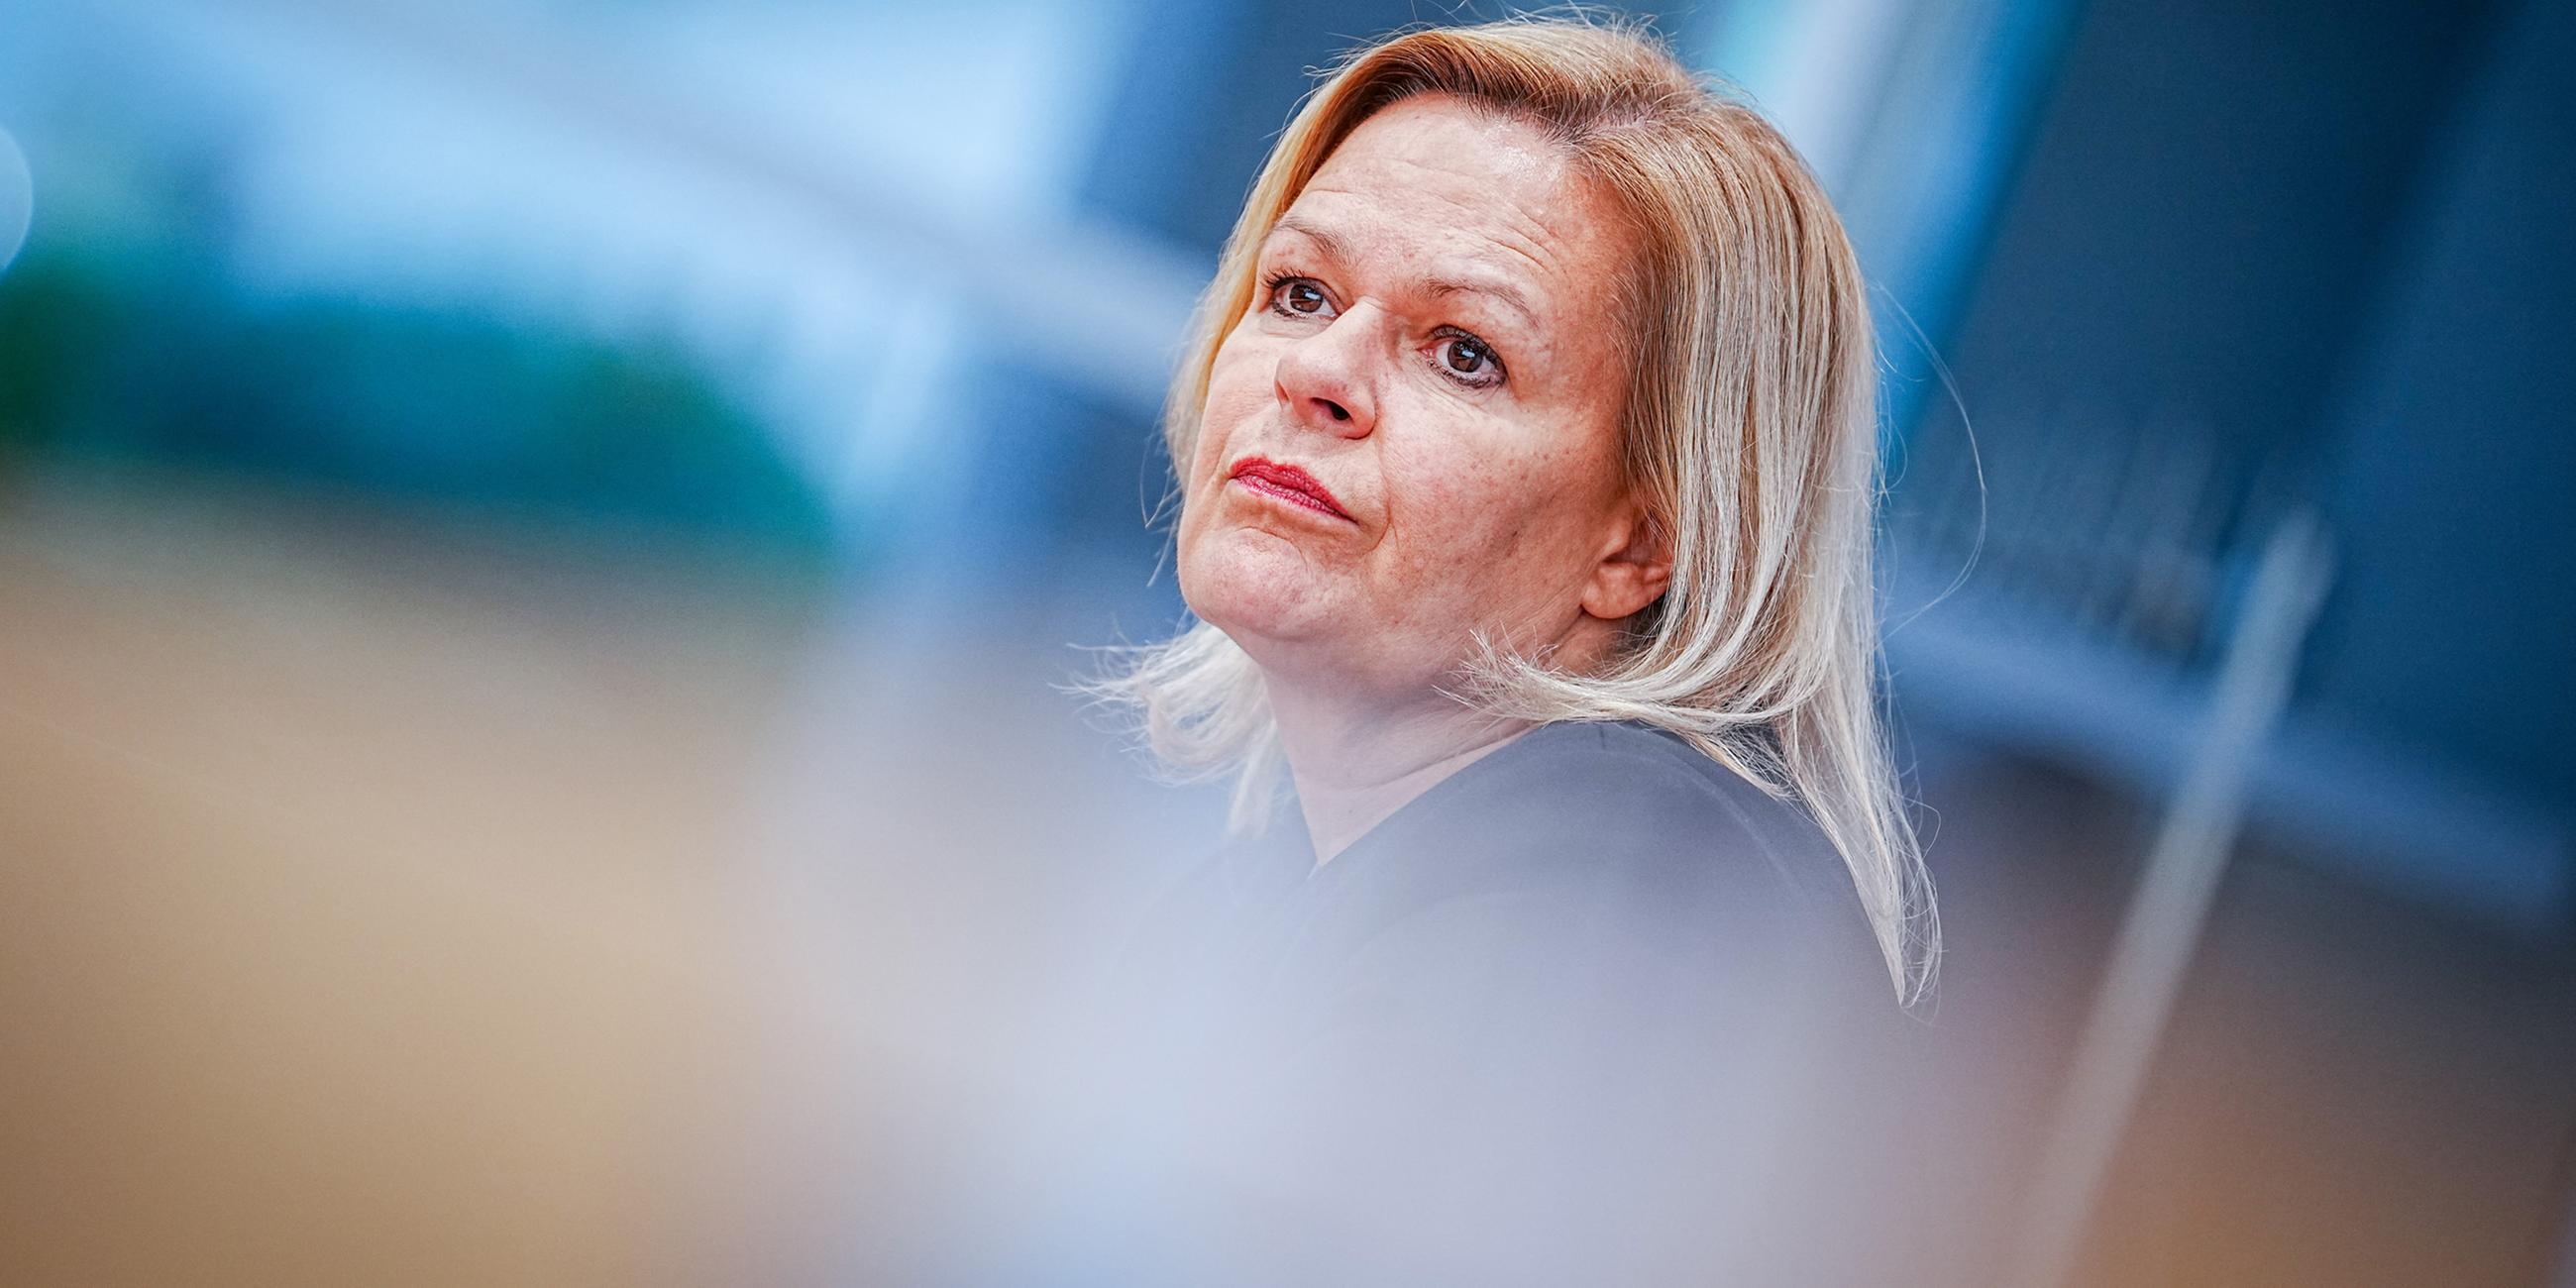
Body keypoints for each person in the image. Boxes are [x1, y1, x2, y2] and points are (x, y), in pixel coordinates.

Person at [1022, 17, 1943, 1284]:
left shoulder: (1627, 907)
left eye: (1465, 354)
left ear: (1643, 543)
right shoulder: (1263, 887)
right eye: (1298, 293)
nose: (1318, 372)